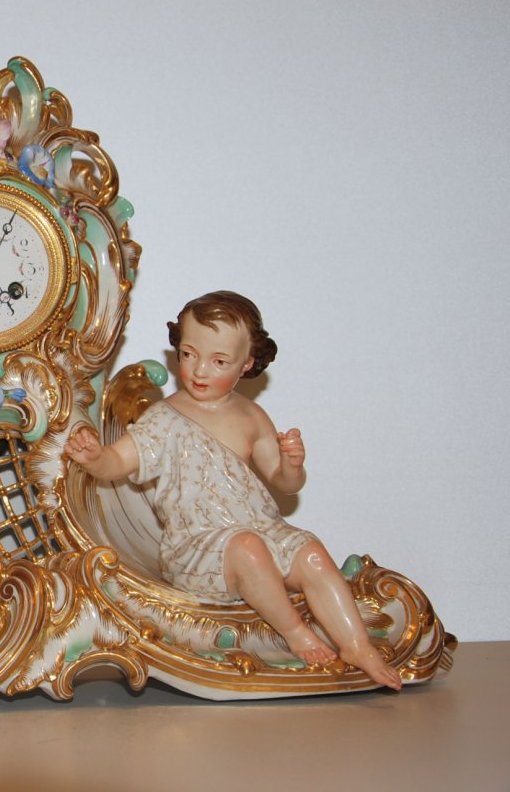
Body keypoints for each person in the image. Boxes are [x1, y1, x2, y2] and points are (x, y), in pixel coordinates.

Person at [65, 291, 401, 690]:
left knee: (310, 553)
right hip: (198, 546)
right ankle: (295, 634)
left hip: (258, 528)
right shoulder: (165, 419)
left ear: (248, 364)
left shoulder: (250, 415)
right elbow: (118, 462)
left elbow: (284, 483)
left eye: (219, 361)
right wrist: (94, 457)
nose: (200, 370)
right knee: (247, 549)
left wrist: (292, 464)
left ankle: (357, 644)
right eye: (189, 354)